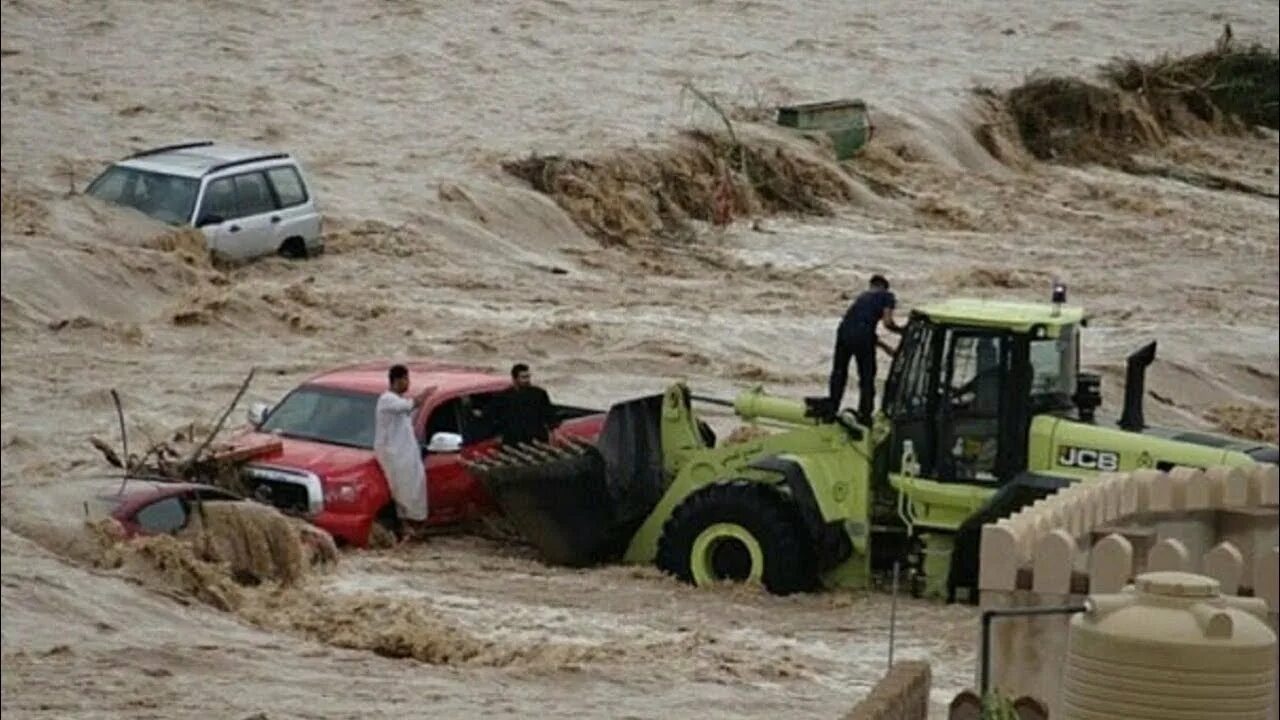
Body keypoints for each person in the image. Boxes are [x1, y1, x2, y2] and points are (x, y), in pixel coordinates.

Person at [828, 274, 904, 423]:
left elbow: (860, 329)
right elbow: (887, 323)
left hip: (843, 333)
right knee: (866, 377)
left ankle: (832, 408)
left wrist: (885, 347)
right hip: (862, 337)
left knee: (839, 372)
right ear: (884, 286)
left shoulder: (862, 298)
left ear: (871, 285)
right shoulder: (887, 296)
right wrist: (902, 331)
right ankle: (865, 415)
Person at [374, 364, 429, 539]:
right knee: (400, 490)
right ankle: (404, 526)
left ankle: (410, 525)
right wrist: (425, 395)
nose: (408, 383)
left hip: (406, 454)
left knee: (412, 488)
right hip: (394, 455)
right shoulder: (387, 400)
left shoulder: (397, 400)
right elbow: (409, 405)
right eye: (406, 379)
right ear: (397, 380)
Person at [493, 363, 557, 448]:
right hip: (513, 438)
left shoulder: (539, 394)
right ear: (514, 379)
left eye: (528, 377)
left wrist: (552, 433)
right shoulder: (504, 397)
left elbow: (549, 414)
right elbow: (496, 417)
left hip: (536, 436)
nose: (527, 380)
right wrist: (498, 435)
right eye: (523, 377)